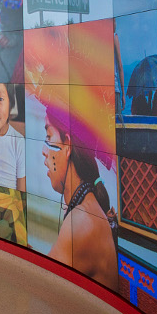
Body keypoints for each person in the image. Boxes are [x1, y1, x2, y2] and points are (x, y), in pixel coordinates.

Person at [42, 106, 118, 290]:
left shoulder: (80, 223)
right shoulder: (85, 206)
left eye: (49, 137)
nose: (44, 150)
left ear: (67, 146)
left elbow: (45, 289)